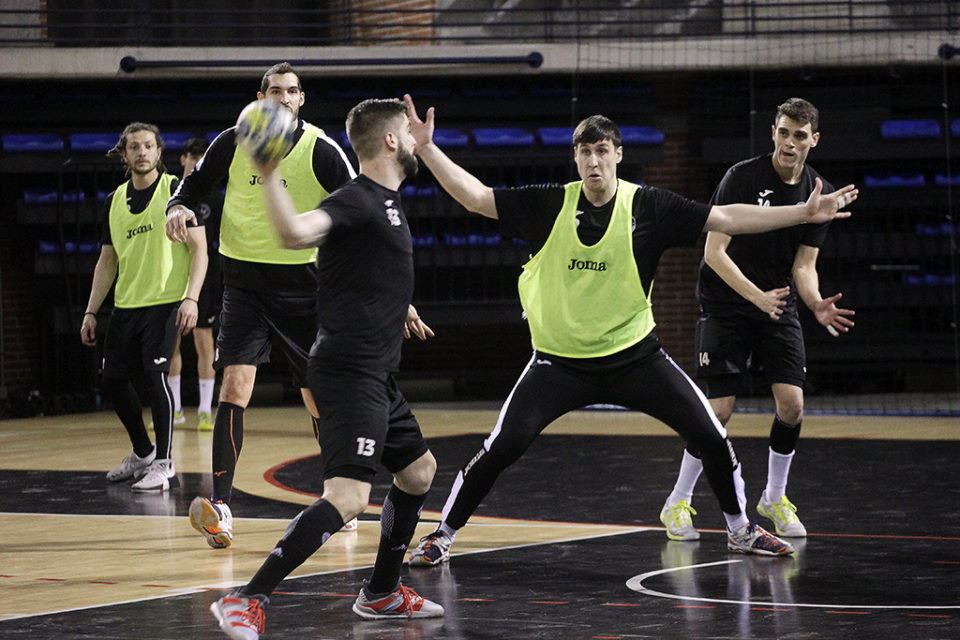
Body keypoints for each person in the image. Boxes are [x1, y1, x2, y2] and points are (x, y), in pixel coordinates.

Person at [402, 94, 857, 567]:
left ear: (618, 155)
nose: (594, 160)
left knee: (711, 436)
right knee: (501, 447)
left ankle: (740, 529)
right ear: (575, 158)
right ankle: (442, 534)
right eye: (585, 151)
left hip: (634, 357)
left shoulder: (648, 206)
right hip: (558, 364)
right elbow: (476, 198)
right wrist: (428, 149)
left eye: (603, 150)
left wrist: (800, 214)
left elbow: (724, 218)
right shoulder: (549, 203)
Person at [209, 98, 442, 640]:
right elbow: (296, 233)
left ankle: (381, 593)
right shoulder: (357, 199)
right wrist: (267, 174)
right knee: (348, 497)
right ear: (389, 141)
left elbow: (340, 262)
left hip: (376, 372)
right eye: (408, 134)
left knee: (419, 472)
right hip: (349, 371)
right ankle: (247, 599)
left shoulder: (383, 201)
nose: (415, 142)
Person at [166, 62, 357, 547]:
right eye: (274, 91)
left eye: (291, 91)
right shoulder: (232, 141)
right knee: (234, 384)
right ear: (260, 97)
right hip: (245, 283)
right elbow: (193, 187)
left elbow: (363, 206)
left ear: (301, 99)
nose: (283, 98)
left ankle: (339, 495)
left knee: (316, 394)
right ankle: (222, 507)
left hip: (306, 286)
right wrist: (179, 207)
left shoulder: (321, 149)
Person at [660, 98, 855, 542]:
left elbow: (805, 266)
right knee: (719, 412)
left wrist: (817, 302)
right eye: (784, 132)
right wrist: (756, 297)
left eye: (799, 135)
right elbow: (713, 253)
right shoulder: (742, 177)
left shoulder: (816, 194)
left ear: (814, 141)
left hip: (777, 301)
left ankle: (774, 497)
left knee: (793, 404)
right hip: (728, 301)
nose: (790, 142)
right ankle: (677, 502)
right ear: (773, 133)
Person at [81, 122, 207, 492]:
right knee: (113, 381)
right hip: (127, 304)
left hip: (166, 301)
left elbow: (200, 250)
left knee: (156, 377)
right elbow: (107, 261)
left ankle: (165, 464)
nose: (141, 152)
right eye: (133, 147)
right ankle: (143, 452)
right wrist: (91, 310)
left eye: (148, 146)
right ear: (124, 155)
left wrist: (192, 298)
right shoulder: (114, 201)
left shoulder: (175, 192)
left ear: (158, 153)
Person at [153, 137, 223, 432]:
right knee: (172, 343)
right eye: (192, 155)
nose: (196, 160)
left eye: (202, 156)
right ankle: (176, 408)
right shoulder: (169, 194)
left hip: (205, 277)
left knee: (204, 341)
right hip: (172, 276)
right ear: (182, 159)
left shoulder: (215, 198)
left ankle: (206, 409)